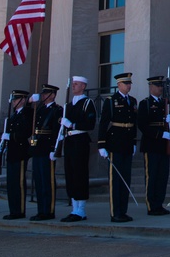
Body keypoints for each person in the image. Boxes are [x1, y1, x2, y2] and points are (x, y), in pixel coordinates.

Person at [98, 73, 137, 222]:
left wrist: (134, 142)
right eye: (126, 83)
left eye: (130, 83)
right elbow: (103, 123)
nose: (129, 86)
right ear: (119, 85)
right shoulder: (111, 101)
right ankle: (116, 213)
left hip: (127, 143)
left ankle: (124, 211)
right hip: (115, 143)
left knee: (125, 179)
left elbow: (134, 124)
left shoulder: (132, 101)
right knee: (116, 180)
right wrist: (101, 144)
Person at [59, 76, 97, 222]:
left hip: (80, 140)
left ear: (83, 86)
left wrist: (72, 125)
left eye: (76, 84)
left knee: (80, 173)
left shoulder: (88, 103)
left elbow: (90, 123)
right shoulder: (68, 106)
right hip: (69, 141)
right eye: (73, 84)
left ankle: (81, 209)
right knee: (70, 174)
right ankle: (74, 208)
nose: (74, 86)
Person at [137, 75, 170, 216]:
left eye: (161, 86)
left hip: (163, 145)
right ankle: (151, 205)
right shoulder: (145, 104)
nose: (160, 88)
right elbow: (142, 124)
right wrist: (159, 134)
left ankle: (159, 203)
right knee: (152, 176)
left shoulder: (166, 103)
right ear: (151, 87)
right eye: (157, 86)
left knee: (162, 176)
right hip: (151, 144)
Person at [28, 84, 61, 221]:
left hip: (48, 148)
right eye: (42, 93)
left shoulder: (57, 110)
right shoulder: (39, 109)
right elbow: (28, 119)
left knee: (48, 181)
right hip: (38, 148)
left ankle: (49, 210)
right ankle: (41, 210)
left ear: (52, 95)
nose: (42, 96)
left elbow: (56, 131)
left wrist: (54, 148)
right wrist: (30, 103)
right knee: (39, 181)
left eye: (45, 93)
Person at [0, 89, 31, 220]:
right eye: (13, 100)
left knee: (19, 183)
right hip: (12, 153)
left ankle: (20, 210)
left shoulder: (27, 113)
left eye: (16, 99)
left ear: (23, 100)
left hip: (21, 152)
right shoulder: (13, 116)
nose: (13, 102)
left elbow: (25, 132)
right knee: (11, 183)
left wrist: (11, 136)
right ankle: (13, 210)